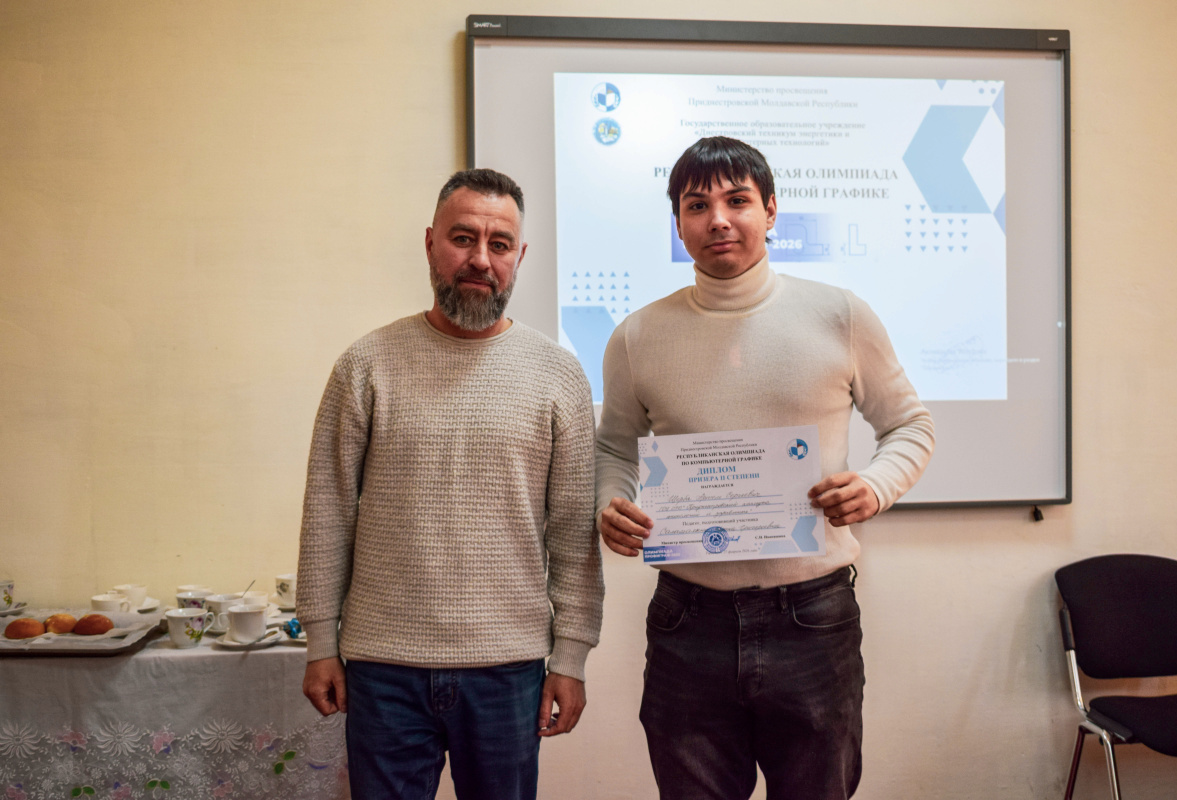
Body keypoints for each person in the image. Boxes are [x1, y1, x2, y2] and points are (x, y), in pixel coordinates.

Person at [595, 137, 934, 800]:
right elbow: (614, 448)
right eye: (697, 205)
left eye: (738, 200)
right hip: (687, 621)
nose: (718, 219)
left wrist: (874, 485)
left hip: (813, 618)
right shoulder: (637, 335)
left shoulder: (839, 315)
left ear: (771, 211)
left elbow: (909, 425)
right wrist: (610, 502)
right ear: (679, 223)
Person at [296, 168, 603, 800]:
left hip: (509, 670)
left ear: (519, 257)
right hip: (384, 669)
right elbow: (328, 511)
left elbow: (574, 534)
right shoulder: (365, 365)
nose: (480, 259)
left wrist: (570, 657)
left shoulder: (558, 375)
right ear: (431, 242)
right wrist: (321, 641)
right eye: (464, 238)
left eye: (499, 244)